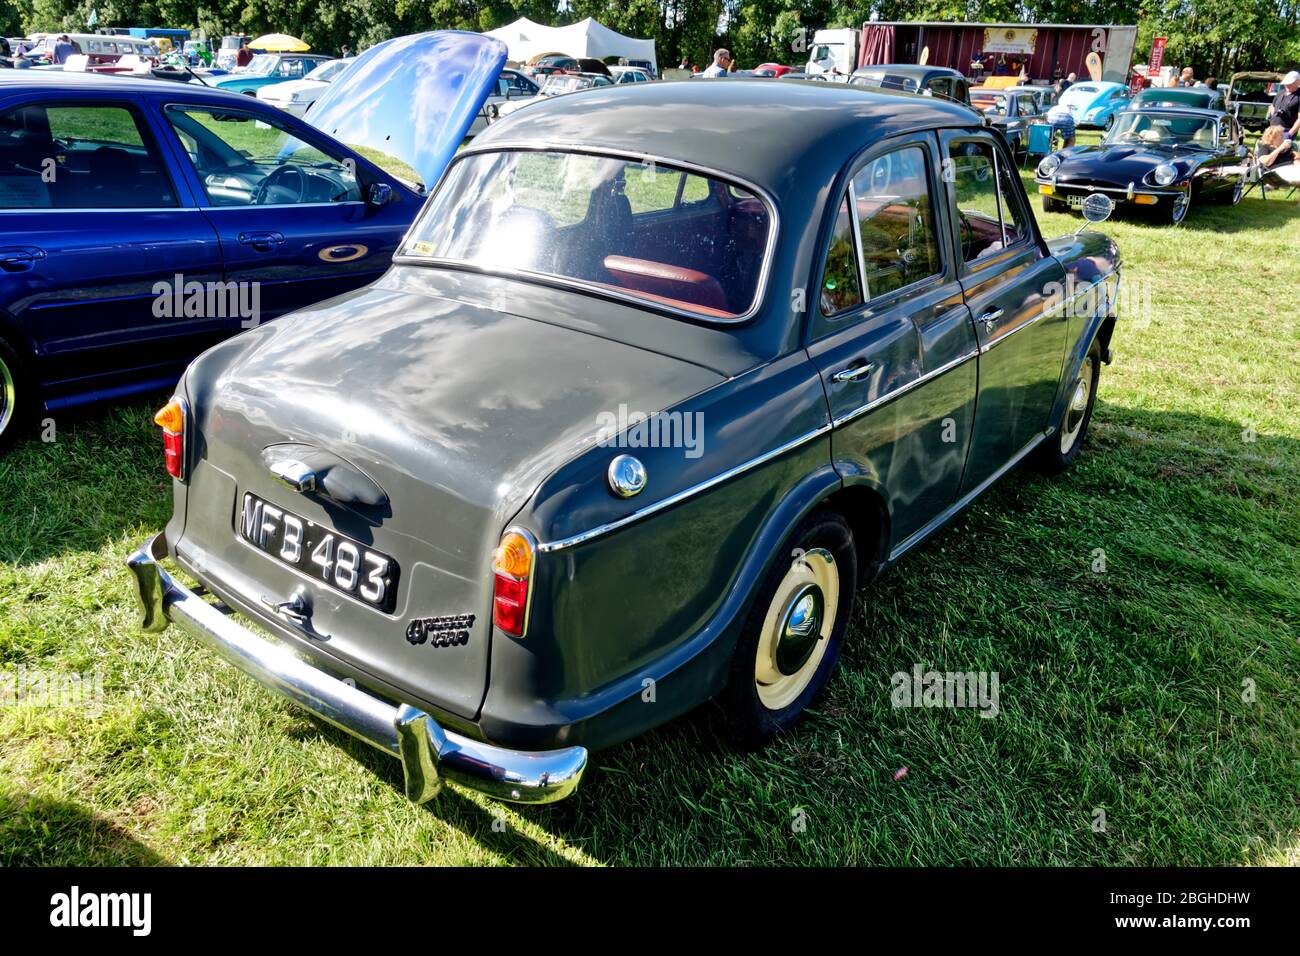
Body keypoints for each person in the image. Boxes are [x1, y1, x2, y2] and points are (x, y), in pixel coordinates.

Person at [1267, 70, 1300, 141]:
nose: (1287, 85)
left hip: (1286, 132)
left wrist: (1290, 134)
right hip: (1272, 129)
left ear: (1298, 82)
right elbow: (1272, 106)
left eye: (1290, 83)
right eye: (1286, 83)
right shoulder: (1280, 93)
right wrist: (1274, 115)